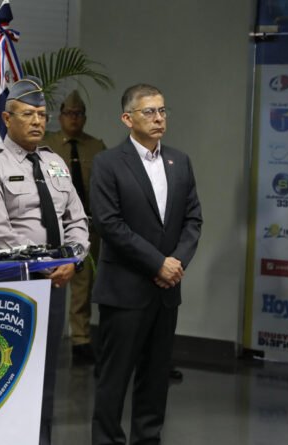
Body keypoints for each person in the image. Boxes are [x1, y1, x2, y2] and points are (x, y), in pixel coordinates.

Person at [0, 76, 90, 445]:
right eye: (28, 114)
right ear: (7, 118)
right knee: (8, 370)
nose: (37, 121)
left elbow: (77, 219)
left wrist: (73, 259)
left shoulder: (54, 162)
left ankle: (40, 439)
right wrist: (40, 264)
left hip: (55, 282)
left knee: (45, 371)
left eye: (41, 115)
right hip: (13, 285)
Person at [90, 84, 202, 445]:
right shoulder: (108, 163)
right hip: (125, 291)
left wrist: (176, 263)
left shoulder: (180, 161)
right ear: (127, 118)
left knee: (155, 380)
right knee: (114, 380)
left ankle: (147, 439)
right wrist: (158, 264)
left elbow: (193, 219)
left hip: (166, 292)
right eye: (149, 112)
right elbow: (109, 224)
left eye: (162, 111)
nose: (158, 118)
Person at [42, 90, 106, 364]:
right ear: (60, 116)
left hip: (86, 225)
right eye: (69, 113)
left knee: (83, 284)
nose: (74, 118)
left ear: (84, 118)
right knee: (50, 279)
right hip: (51, 227)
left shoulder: (96, 147)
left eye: (78, 114)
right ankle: (46, 336)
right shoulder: (47, 144)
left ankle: (81, 339)